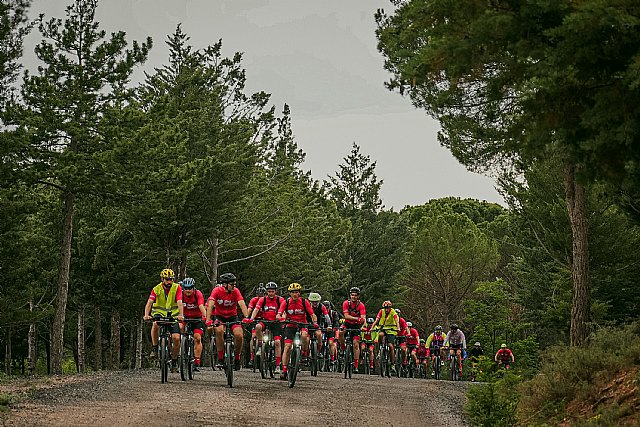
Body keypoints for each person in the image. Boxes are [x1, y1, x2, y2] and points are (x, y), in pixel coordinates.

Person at [205, 272, 251, 371]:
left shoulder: (236, 291)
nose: (234, 286)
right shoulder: (216, 291)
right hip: (220, 317)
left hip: (233, 317)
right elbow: (210, 305)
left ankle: (237, 358)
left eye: (235, 284)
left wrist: (246, 316)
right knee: (219, 331)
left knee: (239, 335)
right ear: (225, 284)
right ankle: (220, 358)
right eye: (232, 284)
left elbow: (241, 303)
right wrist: (208, 320)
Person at [143, 268, 184, 373]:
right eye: (167, 279)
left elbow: (179, 302)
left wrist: (181, 315)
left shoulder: (177, 288)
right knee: (155, 324)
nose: (169, 282)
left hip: (173, 315)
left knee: (176, 338)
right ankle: (155, 347)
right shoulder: (156, 289)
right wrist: (146, 315)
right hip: (159, 313)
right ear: (162, 279)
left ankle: (174, 360)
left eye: (171, 279)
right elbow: (149, 302)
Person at [277, 282, 318, 380]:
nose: (295, 294)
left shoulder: (304, 302)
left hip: (302, 324)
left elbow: (312, 314)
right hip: (290, 325)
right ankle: (284, 370)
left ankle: (303, 352)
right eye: (293, 292)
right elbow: (278, 314)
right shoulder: (286, 302)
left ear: (299, 293)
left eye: (297, 292)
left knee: (304, 336)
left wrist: (315, 322)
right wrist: (281, 319)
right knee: (287, 347)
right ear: (290, 294)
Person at [250, 281, 285, 374]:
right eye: (269, 291)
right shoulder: (263, 300)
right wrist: (251, 318)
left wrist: (283, 319)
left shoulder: (280, 300)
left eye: (272, 291)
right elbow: (256, 309)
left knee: (277, 342)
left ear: (275, 291)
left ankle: (278, 365)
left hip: (276, 323)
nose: (270, 293)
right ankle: (261, 345)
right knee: (257, 327)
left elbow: (284, 311)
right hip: (265, 321)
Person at [179, 277, 206, 371]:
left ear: (193, 288)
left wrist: (206, 316)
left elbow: (201, 305)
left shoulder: (198, 294)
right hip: (184, 318)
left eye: (190, 288)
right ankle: (182, 349)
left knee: (197, 338)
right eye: (185, 288)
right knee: (179, 328)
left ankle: (197, 361)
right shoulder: (180, 294)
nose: (188, 290)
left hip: (197, 318)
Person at [339, 287, 366, 372]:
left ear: (358, 296)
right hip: (347, 323)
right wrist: (357, 318)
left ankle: (356, 365)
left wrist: (363, 324)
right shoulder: (346, 303)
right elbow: (346, 316)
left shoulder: (361, 305)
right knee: (340, 332)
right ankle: (343, 347)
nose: (353, 297)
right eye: (352, 295)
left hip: (356, 326)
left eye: (355, 295)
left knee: (355, 344)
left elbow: (363, 318)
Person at [369, 300, 400, 373]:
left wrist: (398, 327)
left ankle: (393, 364)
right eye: (385, 308)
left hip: (391, 329)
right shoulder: (381, 311)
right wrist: (372, 327)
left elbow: (396, 320)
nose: (386, 309)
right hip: (383, 327)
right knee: (380, 335)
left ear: (390, 307)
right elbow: (377, 320)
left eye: (388, 308)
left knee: (391, 346)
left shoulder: (393, 312)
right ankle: (380, 349)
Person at [247, 284, 267, 368]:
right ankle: (252, 357)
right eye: (259, 296)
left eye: (262, 296)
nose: (260, 297)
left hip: (265, 320)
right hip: (255, 319)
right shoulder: (253, 300)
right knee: (253, 336)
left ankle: (266, 351)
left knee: (266, 335)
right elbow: (250, 309)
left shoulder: (267, 300)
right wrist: (247, 317)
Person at [323, 300, 341, 364]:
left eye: (327, 308)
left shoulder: (333, 313)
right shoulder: (321, 313)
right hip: (323, 330)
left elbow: (336, 323)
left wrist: (334, 329)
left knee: (331, 343)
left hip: (332, 330)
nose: (326, 309)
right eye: (325, 308)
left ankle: (332, 358)